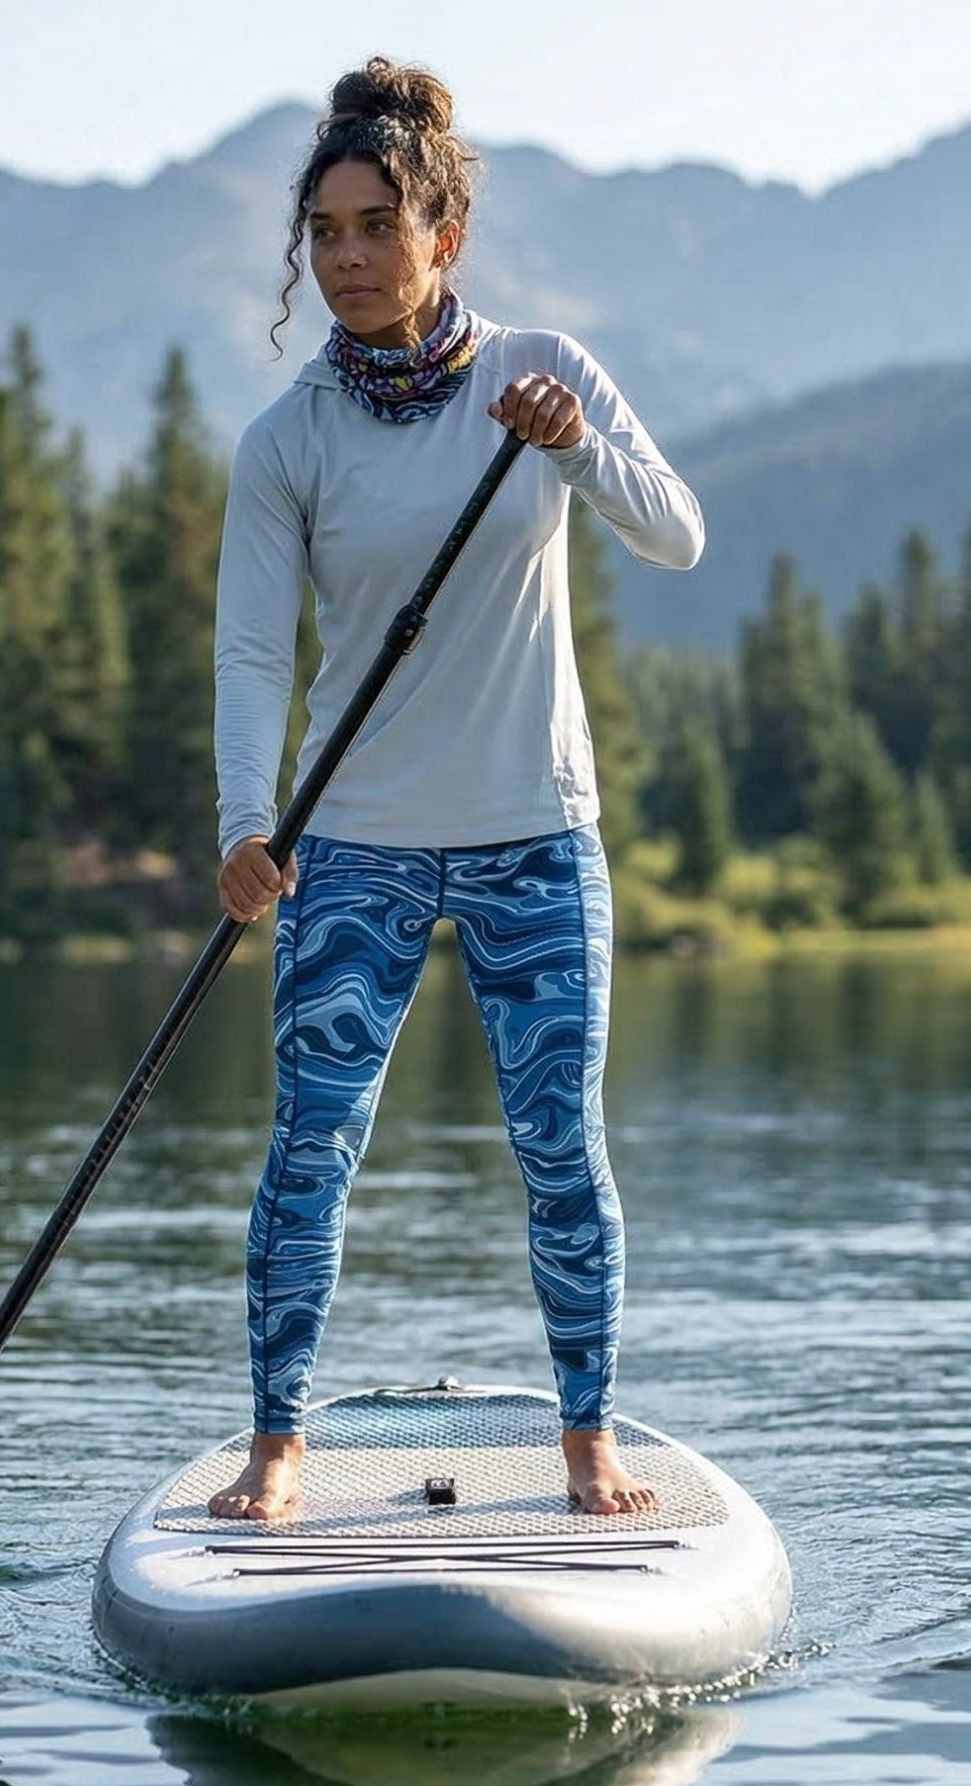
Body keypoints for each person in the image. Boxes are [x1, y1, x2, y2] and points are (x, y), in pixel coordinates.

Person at [208, 56, 704, 1521]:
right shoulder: (286, 438)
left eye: (377, 225)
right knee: (312, 1143)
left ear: (444, 237)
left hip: (533, 838)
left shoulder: (537, 371)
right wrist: (248, 822)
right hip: (347, 844)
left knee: (562, 1144)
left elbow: (674, 532)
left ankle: (588, 1441)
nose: (349, 257)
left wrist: (578, 444)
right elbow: (250, 651)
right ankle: (278, 1447)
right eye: (326, 232)